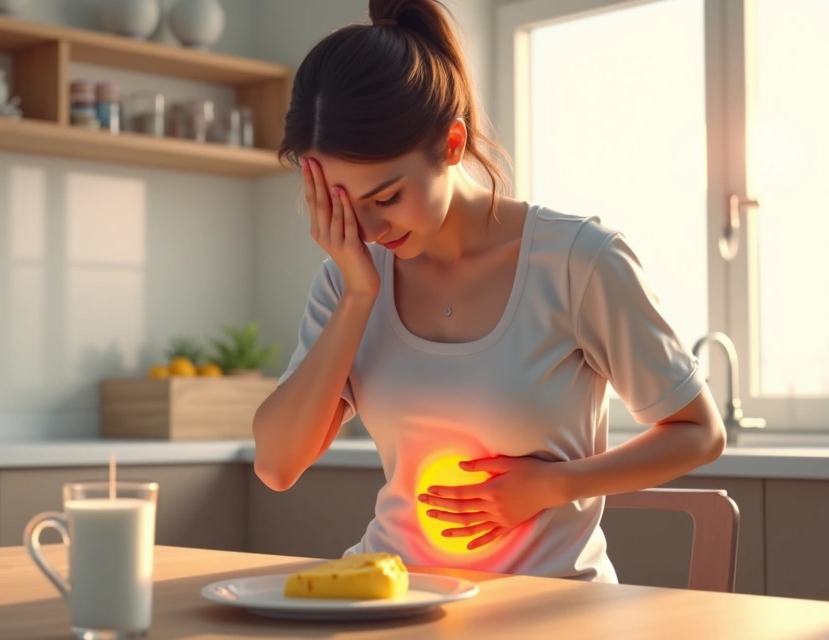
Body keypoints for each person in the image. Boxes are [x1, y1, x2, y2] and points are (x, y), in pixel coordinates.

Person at [251, 0, 726, 583]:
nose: (370, 231)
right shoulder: (350, 278)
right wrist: (356, 297)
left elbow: (699, 432)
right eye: (345, 206)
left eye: (387, 197)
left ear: (452, 144)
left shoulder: (577, 261)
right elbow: (276, 465)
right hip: (395, 599)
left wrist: (551, 485)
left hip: (553, 610)